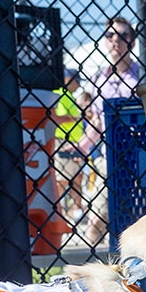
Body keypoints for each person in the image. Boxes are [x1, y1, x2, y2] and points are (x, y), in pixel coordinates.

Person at [79, 17, 144, 246]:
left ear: (132, 43)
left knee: (139, 220)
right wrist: (81, 147)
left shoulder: (143, 78)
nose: (116, 40)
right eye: (110, 36)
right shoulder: (99, 80)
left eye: (123, 35)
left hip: (140, 158)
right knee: (96, 218)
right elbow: (97, 123)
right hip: (109, 157)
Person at [53, 68, 88, 224]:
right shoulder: (59, 94)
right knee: (62, 178)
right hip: (62, 141)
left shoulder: (69, 96)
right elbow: (55, 117)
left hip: (74, 142)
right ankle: (59, 209)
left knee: (76, 178)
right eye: (76, 81)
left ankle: (75, 209)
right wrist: (76, 118)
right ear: (68, 80)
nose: (78, 85)